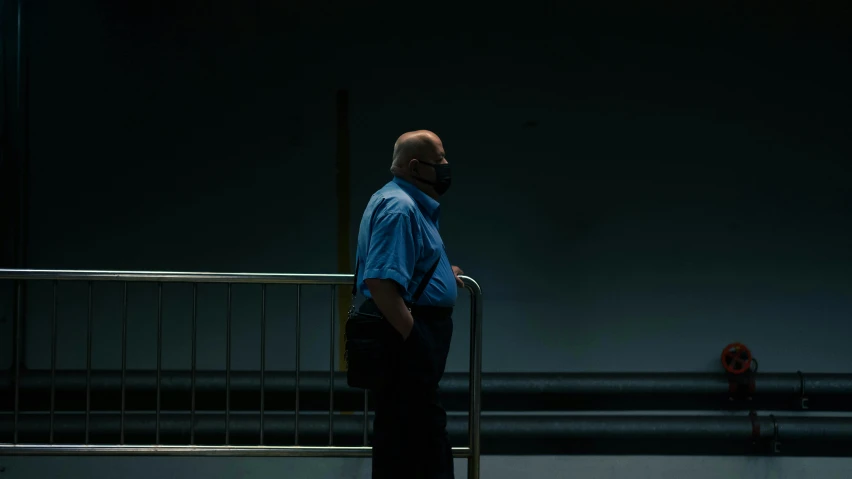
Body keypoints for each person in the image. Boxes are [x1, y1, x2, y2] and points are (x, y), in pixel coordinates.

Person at [354, 130, 464, 479]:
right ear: (416, 166)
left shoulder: (404, 201)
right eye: (440, 160)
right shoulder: (401, 208)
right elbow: (381, 281)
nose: (446, 166)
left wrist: (444, 275)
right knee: (421, 437)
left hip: (408, 331)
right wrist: (413, 336)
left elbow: (408, 266)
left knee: (406, 434)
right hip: (405, 335)